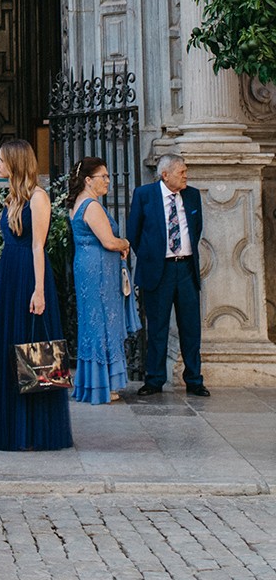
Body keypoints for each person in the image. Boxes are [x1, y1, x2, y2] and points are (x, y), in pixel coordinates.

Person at [0, 139, 73, 451]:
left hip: (30, 276)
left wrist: (38, 291)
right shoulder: (11, 199)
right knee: (12, 351)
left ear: (15, 163)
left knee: (35, 350)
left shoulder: (38, 198)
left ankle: (36, 431)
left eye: (1, 160)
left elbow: (38, 246)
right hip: (10, 276)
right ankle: (13, 429)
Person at [128, 153, 209, 398]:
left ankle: (194, 380)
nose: (186, 176)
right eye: (181, 172)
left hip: (186, 269)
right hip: (158, 271)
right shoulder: (144, 195)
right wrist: (150, 257)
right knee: (158, 328)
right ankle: (154, 380)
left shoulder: (192, 195)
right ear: (165, 175)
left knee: (191, 328)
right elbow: (134, 232)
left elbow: (196, 229)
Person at [68, 157, 132, 404]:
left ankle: (94, 383)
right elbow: (108, 241)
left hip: (87, 266)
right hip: (99, 271)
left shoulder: (78, 204)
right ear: (88, 180)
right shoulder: (92, 206)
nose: (107, 181)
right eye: (103, 176)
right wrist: (125, 243)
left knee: (92, 323)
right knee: (103, 322)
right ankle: (103, 386)